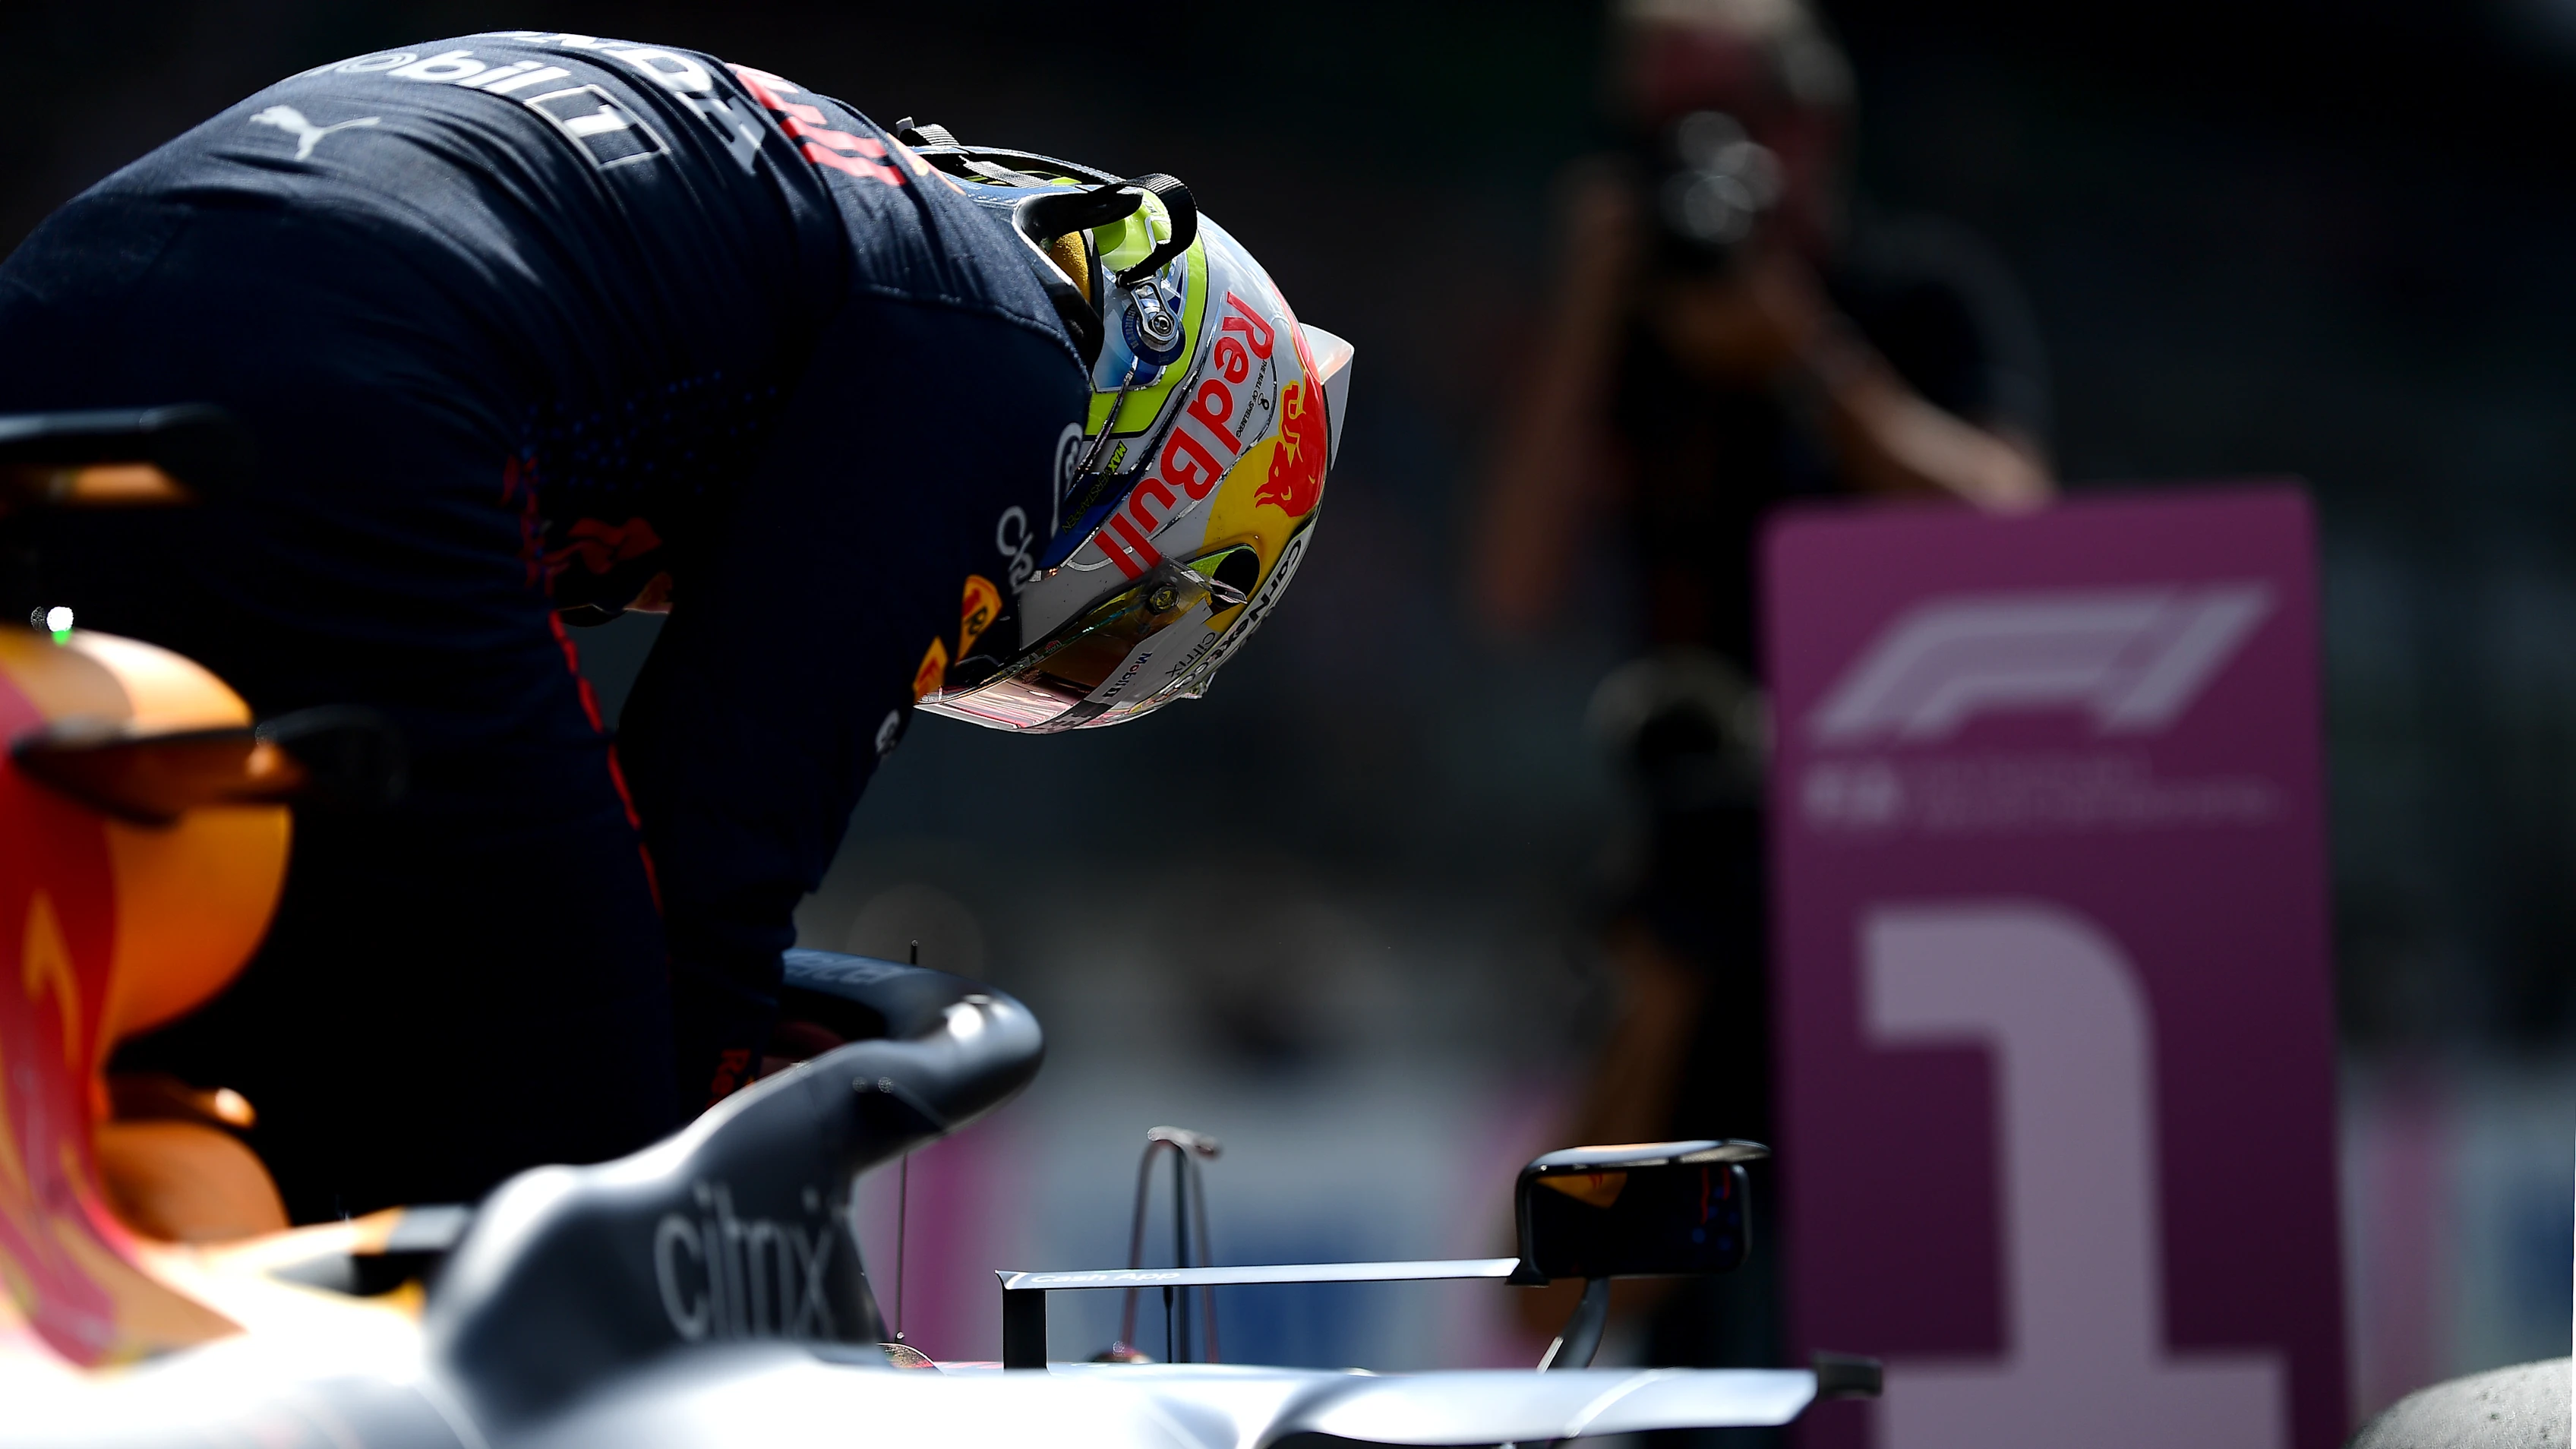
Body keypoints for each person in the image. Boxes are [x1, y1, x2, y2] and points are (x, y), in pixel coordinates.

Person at [0, 30, 1348, 1222]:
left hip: (54, 326)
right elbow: (712, 863)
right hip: (362, 392)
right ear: (1155, 463)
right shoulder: (994, 352)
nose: (1041, 666)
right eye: (1111, 636)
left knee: (258, 1061)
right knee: (573, 1090)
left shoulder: (841, 229)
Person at [1476, 0, 2050, 1379]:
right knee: (1595, 1298)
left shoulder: (1915, 299)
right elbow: (1510, 590)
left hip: (1917, 873)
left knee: (1915, 1310)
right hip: (1700, 847)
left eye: (1709, 122)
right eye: (1647, 134)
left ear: (1808, 132)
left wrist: (1802, 359)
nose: (1675, 162)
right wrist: (1589, 311)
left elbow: (2020, 528)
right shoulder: (1629, 338)